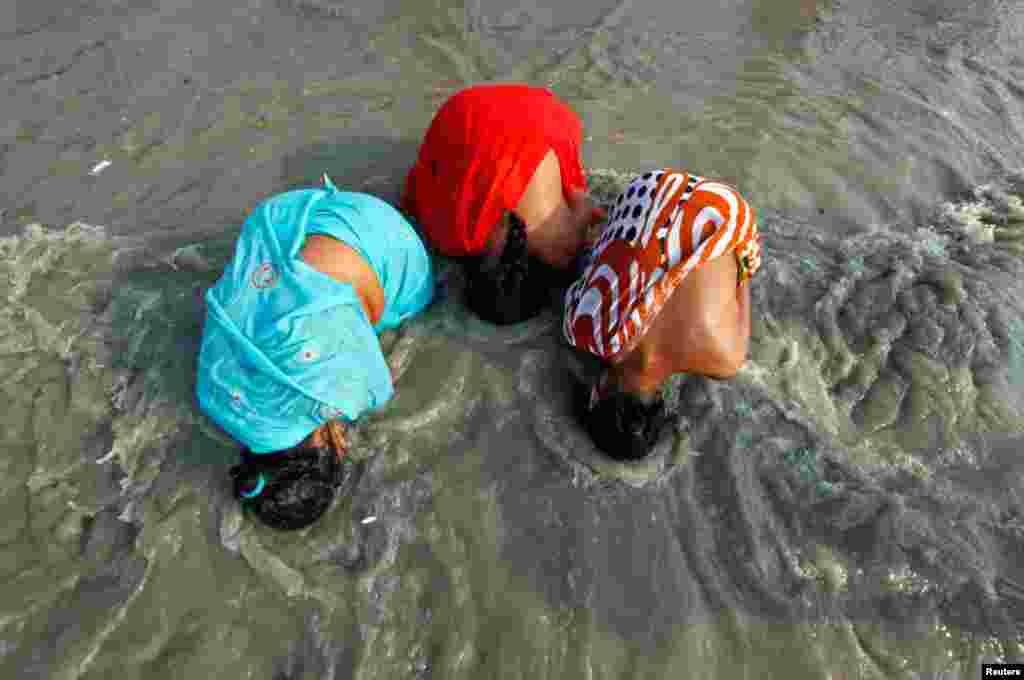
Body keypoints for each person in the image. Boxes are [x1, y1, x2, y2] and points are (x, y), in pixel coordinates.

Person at [196, 175, 435, 530]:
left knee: (404, 310)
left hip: (391, 239)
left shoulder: (342, 391)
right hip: (291, 221)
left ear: (330, 450)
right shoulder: (214, 394)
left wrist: (331, 415)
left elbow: (368, 386)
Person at [562, 169, 763, 459]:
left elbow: (743, 278)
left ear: (662, 406)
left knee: (742, 257)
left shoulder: (725, 360)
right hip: (651, 187)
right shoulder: (582, 327)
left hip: (725, 207)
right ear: (597, 393)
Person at [402, 83, 606, 325]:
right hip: (459, 112)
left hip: (543, 115)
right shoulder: (451, 240)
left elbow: (586, 204)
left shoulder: (563, 248)